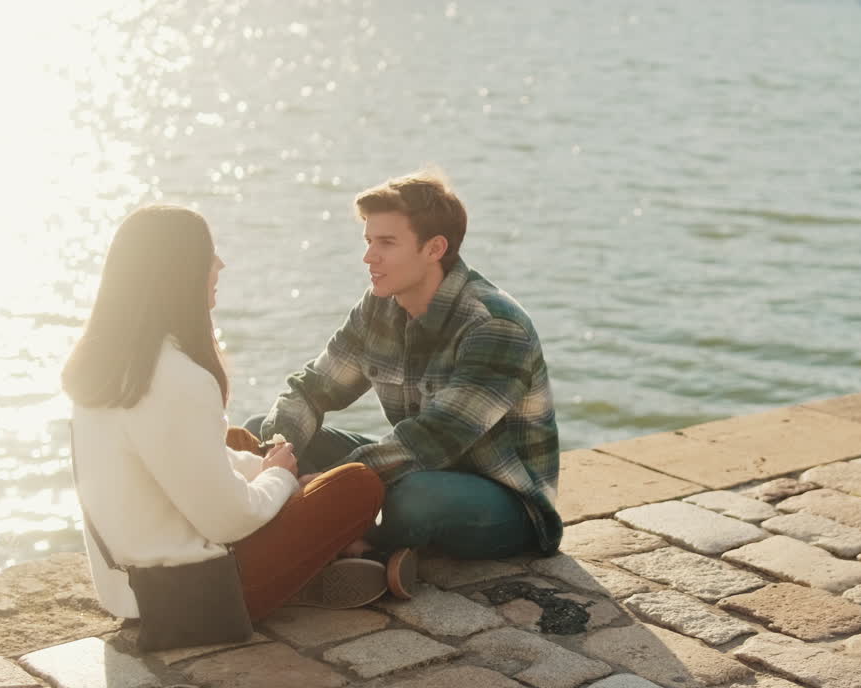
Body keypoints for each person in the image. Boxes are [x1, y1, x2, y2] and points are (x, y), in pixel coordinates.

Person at [63, 205, 388, 625]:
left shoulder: (110, 365)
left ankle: (323, 566)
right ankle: (347, 558)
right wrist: (282, 478)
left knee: (238, 441)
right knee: (357, 484)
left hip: (129, 588)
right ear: (178, 272)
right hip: (192, 596)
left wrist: (272, 475)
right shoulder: (176, 378)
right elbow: (229, 520)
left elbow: (189, 460)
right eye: (208, 255)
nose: (220, 264)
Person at [247, 168, 562, 597]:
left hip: (502, 499)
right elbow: (313, 387)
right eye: (368, 241)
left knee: (413, 498)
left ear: (434, 248)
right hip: (413, 463)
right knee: (259, 428)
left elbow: (435, 439)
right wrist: (278, 451)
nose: (368, 258)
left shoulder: (494, 326)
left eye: (386, 243)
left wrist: (329, 483)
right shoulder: (379, 307)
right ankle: (354, 548)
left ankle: (338, 544)